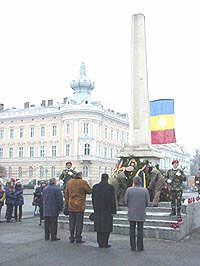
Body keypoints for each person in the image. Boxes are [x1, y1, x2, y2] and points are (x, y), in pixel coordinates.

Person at [64, 172, 92, 244]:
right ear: (80, 176)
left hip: (71, 205)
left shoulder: (69, 182)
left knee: (72, 222)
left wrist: (67, 203)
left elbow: (66, 194)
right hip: (80, 206)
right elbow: (89, 191)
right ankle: (78, 237)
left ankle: (71, 237)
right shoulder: (83, 182)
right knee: (79, 223)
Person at [124, 175, 150, 252]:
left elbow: (125, 201)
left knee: (132, 230)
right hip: (141, 212)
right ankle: (140, 247)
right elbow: (147, 202)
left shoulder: (129, 190)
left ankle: (132, 246)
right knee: (140, 230)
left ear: (133, 182)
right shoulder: (145, 190)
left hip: (131, 212)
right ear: (140, 182)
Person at [92, 173, 116, 248]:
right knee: (107, 228)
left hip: (98, 210)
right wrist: (113, 210)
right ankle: (105, 242)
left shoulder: (95, 187)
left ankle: (100, 242)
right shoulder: (110, 187)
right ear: (107, 178)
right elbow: (113, 200)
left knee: (99, 227)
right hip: (107, 210)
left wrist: (95, 208)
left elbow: (93, 199)